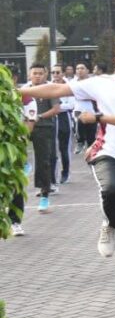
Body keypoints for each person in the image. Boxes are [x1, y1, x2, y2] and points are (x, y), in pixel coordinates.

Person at [19, 39, 115, 317]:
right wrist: (18, 92)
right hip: (107, 152)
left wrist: (99, 117)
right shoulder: (102, 83)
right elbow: (57, 88)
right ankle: (111, 221)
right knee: (112, 190)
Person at [23, 63, 60, 214]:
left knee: (44, 161)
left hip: (44, 127)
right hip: (25, 126)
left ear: (45, 75)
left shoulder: (50, 89)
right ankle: (25, 165)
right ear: (29, 75)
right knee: (17, 152)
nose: (37, 75)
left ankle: (44, 195)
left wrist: (39, 116)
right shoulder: (24, 90)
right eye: (35, 73)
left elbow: (56, 109)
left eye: (40, 73)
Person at [50, 64, 75, 185]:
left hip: (64, 118)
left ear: (63, 74)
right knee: (51, 149)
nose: (55, 75)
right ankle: (52, 177)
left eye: (58, 72)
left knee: (64, 148)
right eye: (53, 72)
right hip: (51, 118)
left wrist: (57, 107)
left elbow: (71, 105)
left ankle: (66, 172)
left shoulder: (69, 86)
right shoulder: (47, 86)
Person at [72, 62, 98, 152]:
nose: (79, 70)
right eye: (77, 68)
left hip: (91, 110)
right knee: (79, 123)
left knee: (91, 137)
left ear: (87, 70)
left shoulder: (93, 82)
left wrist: (82, 95)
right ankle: (80, 142)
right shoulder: (73, 82)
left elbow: (94, 95)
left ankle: (92, 153)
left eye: (82, 68)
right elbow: (73, 95)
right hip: (78, 109)